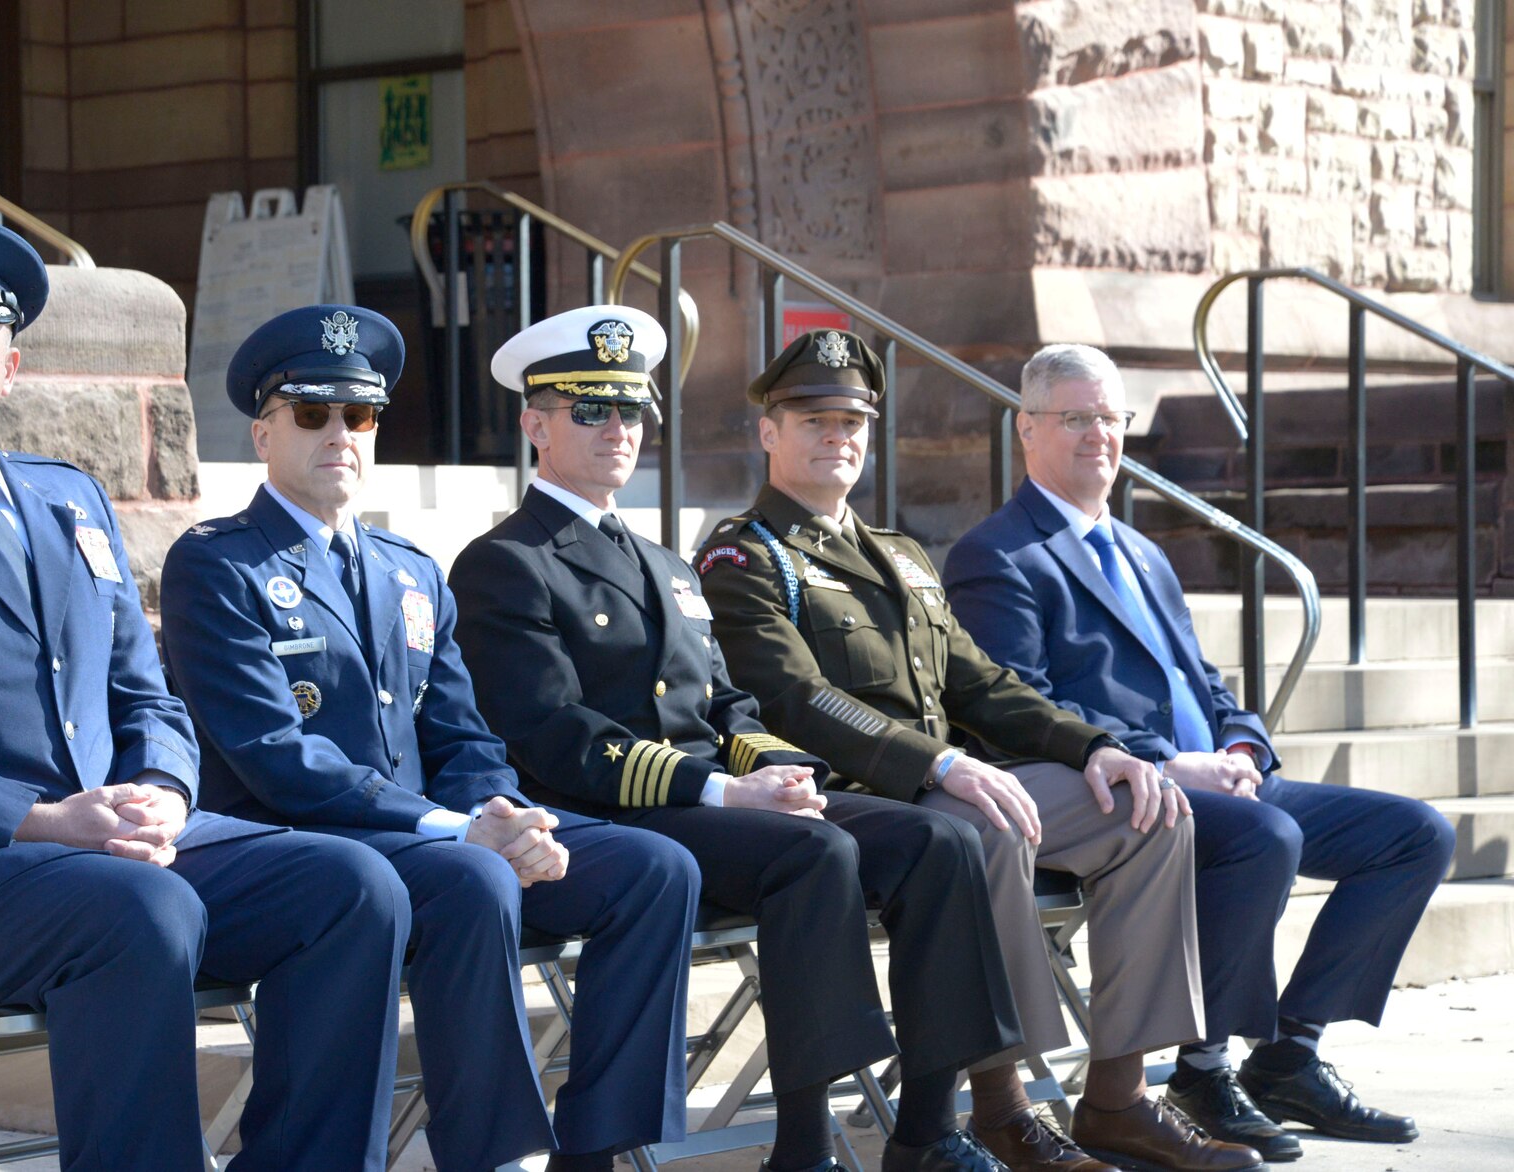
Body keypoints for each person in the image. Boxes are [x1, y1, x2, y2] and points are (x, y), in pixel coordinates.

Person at [0, 216, 410, 1172]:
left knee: (355, 888)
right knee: (143, 912)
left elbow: (150, 700)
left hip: (110, 852)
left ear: (9, 366)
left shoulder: (71, 500)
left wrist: (165, 794)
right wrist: (51, 821)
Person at [449, 306, 1024, 1172]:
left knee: (940, 841)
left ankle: (929, 1129)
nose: (619, 430)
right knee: (813, 855)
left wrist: (783, 772)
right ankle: (804, 1148)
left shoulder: (667, 563)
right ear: (536, 425)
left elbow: (729, 706)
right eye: (590, 410)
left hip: (724, 801)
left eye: (632, 411)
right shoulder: (506, 560)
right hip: (615, 812)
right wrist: (724, 791)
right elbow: (553, 734)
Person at [698, 330, 1262, 1172]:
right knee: (988, 821)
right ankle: (1005, 1107)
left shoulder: (899, 554)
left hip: (949, 781)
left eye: (852, 421)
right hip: (864, 795)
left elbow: (984, 684)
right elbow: (794, 700)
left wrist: (1097, 748)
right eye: (812, 420)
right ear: (768, 433)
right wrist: (940, 764)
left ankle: (1119, 1098)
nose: (836, 438)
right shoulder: (746, 555)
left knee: (1150, 810)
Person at [160, 304, 701, 1172]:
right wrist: (459, 830)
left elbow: (461, 732)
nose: (341, 433)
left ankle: (596, 1150)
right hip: (304, 845)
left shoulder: (409, 569)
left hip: (433, 839)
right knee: (475, 875)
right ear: (263, 435)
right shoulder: (218, 564)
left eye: (361, 416)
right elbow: (275, 754)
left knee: (653, 869)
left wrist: (506, 810)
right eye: (312, 414)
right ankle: (491, 1155)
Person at [945, 343, 1457, 1160]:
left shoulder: (1142, 552)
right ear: (1026, 430)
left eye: (1111, 418)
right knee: (1267, 840)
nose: (1098, 436)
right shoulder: (997, 554)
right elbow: (1016, 702)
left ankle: (1289, 1055)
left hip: (1217, 776)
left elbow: (1207, 684)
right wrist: (1162, 760)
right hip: (1125, 790)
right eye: (1076, 418)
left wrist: (1242, 742)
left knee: (1415, 835)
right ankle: (1201, 1070)